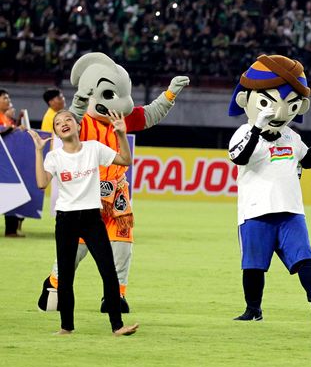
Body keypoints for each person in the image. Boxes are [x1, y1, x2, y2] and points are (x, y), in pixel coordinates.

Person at [37, 52, 189, 313]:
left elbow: (150, 114)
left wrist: (170, 94)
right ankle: (54, 282)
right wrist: (80, 99)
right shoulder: (80, 123)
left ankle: (115, 295)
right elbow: (70, 119)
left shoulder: (122, 119)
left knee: (121, 244)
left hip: (117, 192)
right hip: (86, 193)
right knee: (78, 249)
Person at [228, 54, 311, 324]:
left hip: (290, 211)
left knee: (304, 259)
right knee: (253, 265)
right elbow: (240, 157)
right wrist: (257, 127)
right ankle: (253, 310)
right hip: (255, 211)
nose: (278, 112)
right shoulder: (242, 132)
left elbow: (308, 160)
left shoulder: (291, 135)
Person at [29, 110, 138, 336]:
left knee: (108, 272)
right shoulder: (54, 157)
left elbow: (126, 160)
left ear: (78, 125)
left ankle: (117, 326)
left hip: (91, 219)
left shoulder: (94, 148)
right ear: (57, 132)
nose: (63, 124)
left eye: (68, 119)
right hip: (66, 220)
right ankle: (66, 327)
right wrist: (39, 152)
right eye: (58, 123)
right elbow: (41, 183)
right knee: (66, 276)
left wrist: (121, 135)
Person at [1, 88, 25, 237]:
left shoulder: (6, 118)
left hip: (8, 164)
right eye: (5, 98)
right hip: (3, 165)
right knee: (11, 194)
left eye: (9, 99)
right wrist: (11, 129)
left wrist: (15, 126)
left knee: (11, 195)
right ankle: (11, 229)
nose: (8, 101)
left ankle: (11, 229)